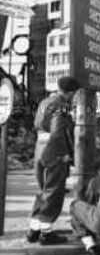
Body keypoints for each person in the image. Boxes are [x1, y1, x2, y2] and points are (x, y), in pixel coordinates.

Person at [27, 76, 80, 245]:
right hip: (54, 151)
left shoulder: (45, 102)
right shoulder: (61, 106)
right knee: (54, 191)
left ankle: (33, 229)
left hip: (40, 148)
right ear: (71, 93)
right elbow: (58, 131)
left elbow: (36, 124)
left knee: (42, 190)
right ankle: (46, 232)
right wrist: (64, 153)